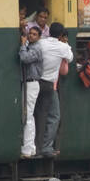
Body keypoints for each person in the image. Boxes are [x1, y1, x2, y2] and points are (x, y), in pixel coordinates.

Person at [34, 22, 73, 158]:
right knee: (54, 116)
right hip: (50, 86)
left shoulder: (41, 43)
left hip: (35, 82)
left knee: (35, 115)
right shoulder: (63, 47)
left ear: (49, 31)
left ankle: (33, 147)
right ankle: (46, 146)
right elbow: (70, 58)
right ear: (61, 35)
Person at [18, 24, 43, 157]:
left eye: (34, 34)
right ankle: (31, 147)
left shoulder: (37, 48)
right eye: (30, 33)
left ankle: (27, 149)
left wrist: (22, 45)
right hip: (30, 83)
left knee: (27, 116)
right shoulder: (32, 46)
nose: (31, 36)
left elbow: (25, 58)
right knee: (30, 116)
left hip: (32, 84)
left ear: (39, 37)